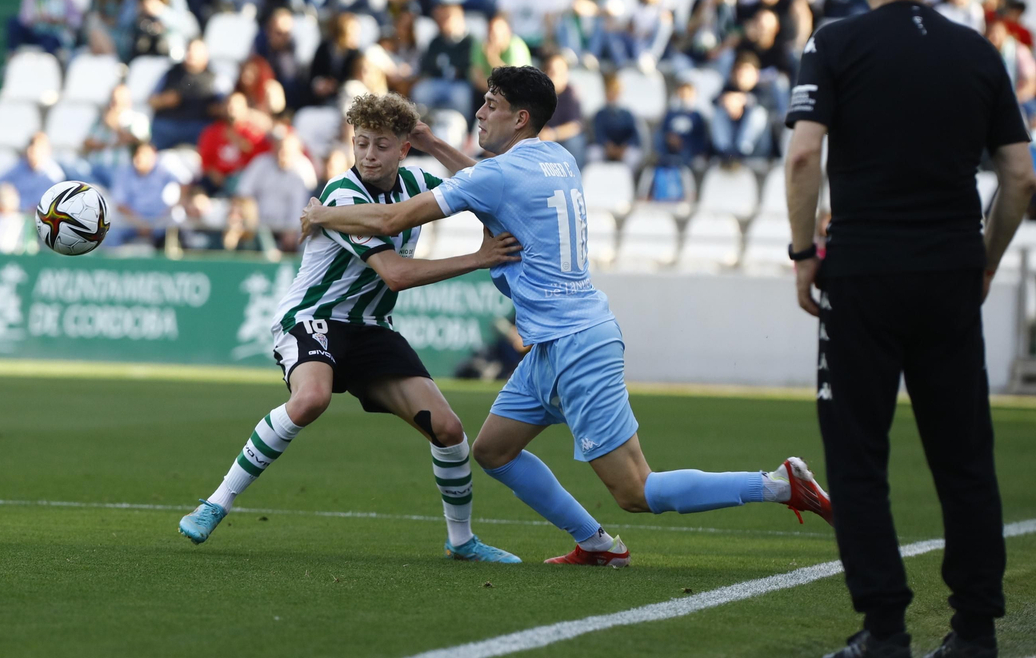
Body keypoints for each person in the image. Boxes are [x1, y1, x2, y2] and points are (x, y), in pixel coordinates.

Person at [302, 66, 833, 568]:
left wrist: (322, 214)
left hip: (577, 342)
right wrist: (436, 144)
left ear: (520, 119)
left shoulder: (502, 173)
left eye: (491, 106)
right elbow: (489, 182)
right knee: (493, 450)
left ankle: (778, 483)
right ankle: (595, 543)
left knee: (636, 491)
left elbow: (394, 216)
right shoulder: (559, 159)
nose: (480, 114)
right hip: (555, 342)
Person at [785, 0, 1034, 658]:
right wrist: (984, 259)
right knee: (964, 456)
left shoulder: (835, 42)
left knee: (859, 455)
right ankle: (976, 630)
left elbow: (803, 160)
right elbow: (1019, 176)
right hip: (951, 272)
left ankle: (886, 630)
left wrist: (803, 253)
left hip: (862, 273)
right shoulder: (978, 52)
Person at [178, 92, 523, 562]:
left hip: (371, 327)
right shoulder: (343, 194)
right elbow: (396, 274)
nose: (369, 155)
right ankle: (216, 503)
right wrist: (479, 258)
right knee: (311, 398)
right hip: (312, 318)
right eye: (361, 143)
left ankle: (461, 541)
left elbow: (484, 183)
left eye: (383, 145)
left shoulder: (416, 179)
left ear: (403, 150)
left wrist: (431, 140)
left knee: (448, 428)